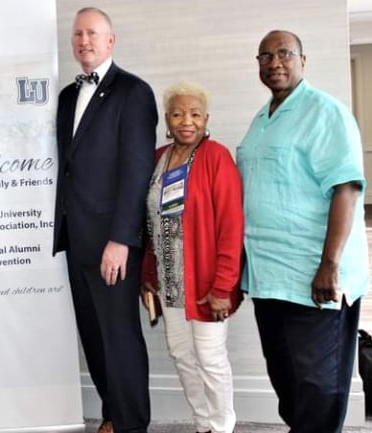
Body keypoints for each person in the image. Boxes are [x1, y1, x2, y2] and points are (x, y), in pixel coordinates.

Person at [237, 30, 369, 433]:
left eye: (284, 54)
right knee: (286, 378)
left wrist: (329, 264)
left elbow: (346, 187)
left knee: (319, 384)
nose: (275, 62)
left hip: (314, 276)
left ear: (303, 60)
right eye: (265, 56)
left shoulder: (325, 112)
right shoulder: (261, 120)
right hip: (268, 277)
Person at [52, 7, 157, 433]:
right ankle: (113, 413)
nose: (84, 41)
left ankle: (132, 424)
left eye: (92, 33)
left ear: (110, 41)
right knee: (94, 338)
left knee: (119, 339)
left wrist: (121, 240)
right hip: (76, 239)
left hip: (112, 243)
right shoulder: (65, 97)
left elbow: (136, 173)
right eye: (77, 34)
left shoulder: (134, 92)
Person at [140, 81, 243, 433]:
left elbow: (231, 227)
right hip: (169, 285)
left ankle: (222, 425)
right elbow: (151, 223)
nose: (187, 121)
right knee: (182, 357)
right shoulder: (158, 159)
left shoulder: (216, 158)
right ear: (167, 120)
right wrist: (148, 275)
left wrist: (223, 287)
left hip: (205, 284)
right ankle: (203, 424)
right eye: (178, 113)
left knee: (211, 359)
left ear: (206, 119)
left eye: (195, 114)